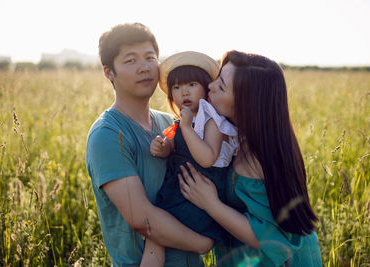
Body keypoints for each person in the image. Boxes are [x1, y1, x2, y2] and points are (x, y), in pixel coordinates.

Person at [179, 50, 323, 266]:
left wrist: (211, 204)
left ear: (246, 103)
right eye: (217, 78)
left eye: (222, 86)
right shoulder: (255, 138)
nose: (210, 86)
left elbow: (272, 239)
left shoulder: (255, 158)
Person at [86, 23, 213, 267]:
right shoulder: (108, 134)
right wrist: (204, 243)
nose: (144, 67)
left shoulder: (170, 123)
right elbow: (141, 218)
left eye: (150, 57)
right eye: (130, 60)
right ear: (109, 72)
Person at [145, 51, 238, 260]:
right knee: (156, 230)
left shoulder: (212, 120)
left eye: (191, 85)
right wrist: (164, 148)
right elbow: (177, 147)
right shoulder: (186, 120)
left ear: (206, 87)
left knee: (156, 231)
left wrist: (186, 128)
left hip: (200, 194)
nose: (184, 92)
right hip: (181, 190)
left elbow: (207, 158)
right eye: (176, 88)